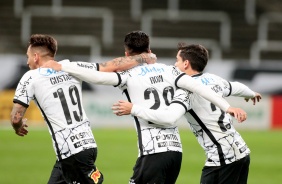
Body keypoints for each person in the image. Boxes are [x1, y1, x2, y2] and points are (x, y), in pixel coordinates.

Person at [42, 31, 247, 184]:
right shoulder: (170, 71)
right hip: (175, 153)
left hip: (153, 152)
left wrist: (63, 66)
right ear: (149, 51)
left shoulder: (127, 76)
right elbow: (197, 86)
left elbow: (97, 75)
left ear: (126, 53)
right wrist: (226, 106)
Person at [10, 34, 157, 184]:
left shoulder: (30, 77)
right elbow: (113, 65)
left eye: (28, 56)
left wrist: (18, 126)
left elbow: (16, 116)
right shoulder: (72, 67)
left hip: (71, 152)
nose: (27, 61)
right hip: (85, 145)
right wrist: (143, 57)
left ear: (35, 57)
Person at [113, 43, 262, 184]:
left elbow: (169, 117)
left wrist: (133, 109)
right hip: (242, 152)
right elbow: (235, 86)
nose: (174, 65)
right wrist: (251, 93)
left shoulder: (186, 91)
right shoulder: (213, 79)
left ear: (186, 64)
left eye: (177, 60)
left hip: (222, 158)